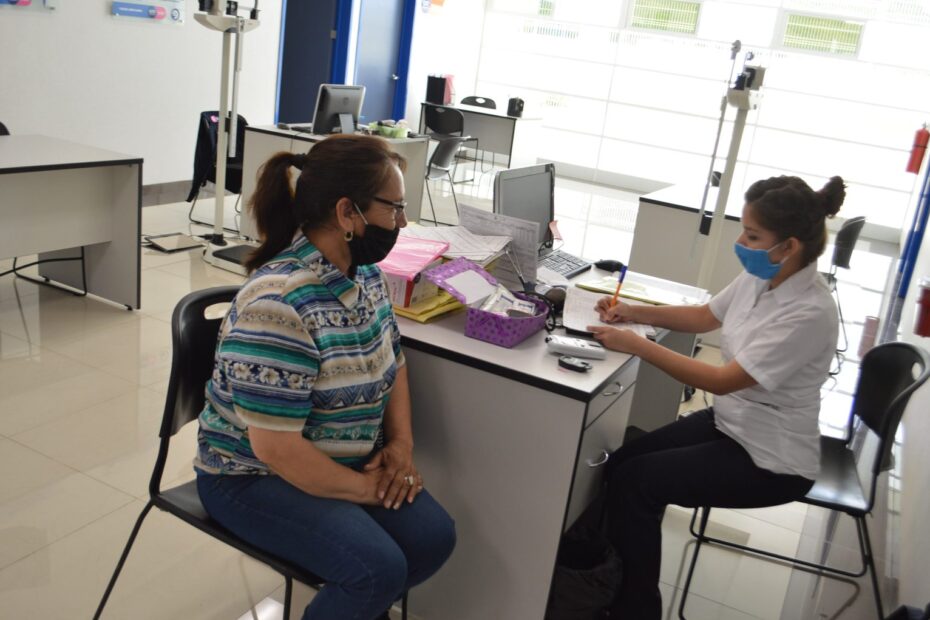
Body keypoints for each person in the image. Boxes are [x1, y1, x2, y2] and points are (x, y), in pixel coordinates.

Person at [194, 135, 456, 620]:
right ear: (347, 213)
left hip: (339, 459)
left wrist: (400, 447)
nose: (402, 223)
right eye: (395, 208)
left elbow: (394, 363)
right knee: (376, 569)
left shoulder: (365, 275)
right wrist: (369, 490)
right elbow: (277, 450)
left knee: (433, 538)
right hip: (250, 475)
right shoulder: (279, 305)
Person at [587, 175, 846, 619]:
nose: (740, 243)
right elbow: (706, 316)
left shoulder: (810, 311)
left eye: (752, 236)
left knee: (637, 483)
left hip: (771, 458)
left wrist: (638, 344)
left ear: (788, 247)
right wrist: (632, 311)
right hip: (733, 422)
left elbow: (723, 380)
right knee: (623, 463)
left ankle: (635, 609)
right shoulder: (762, 275)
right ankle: (603, 576)